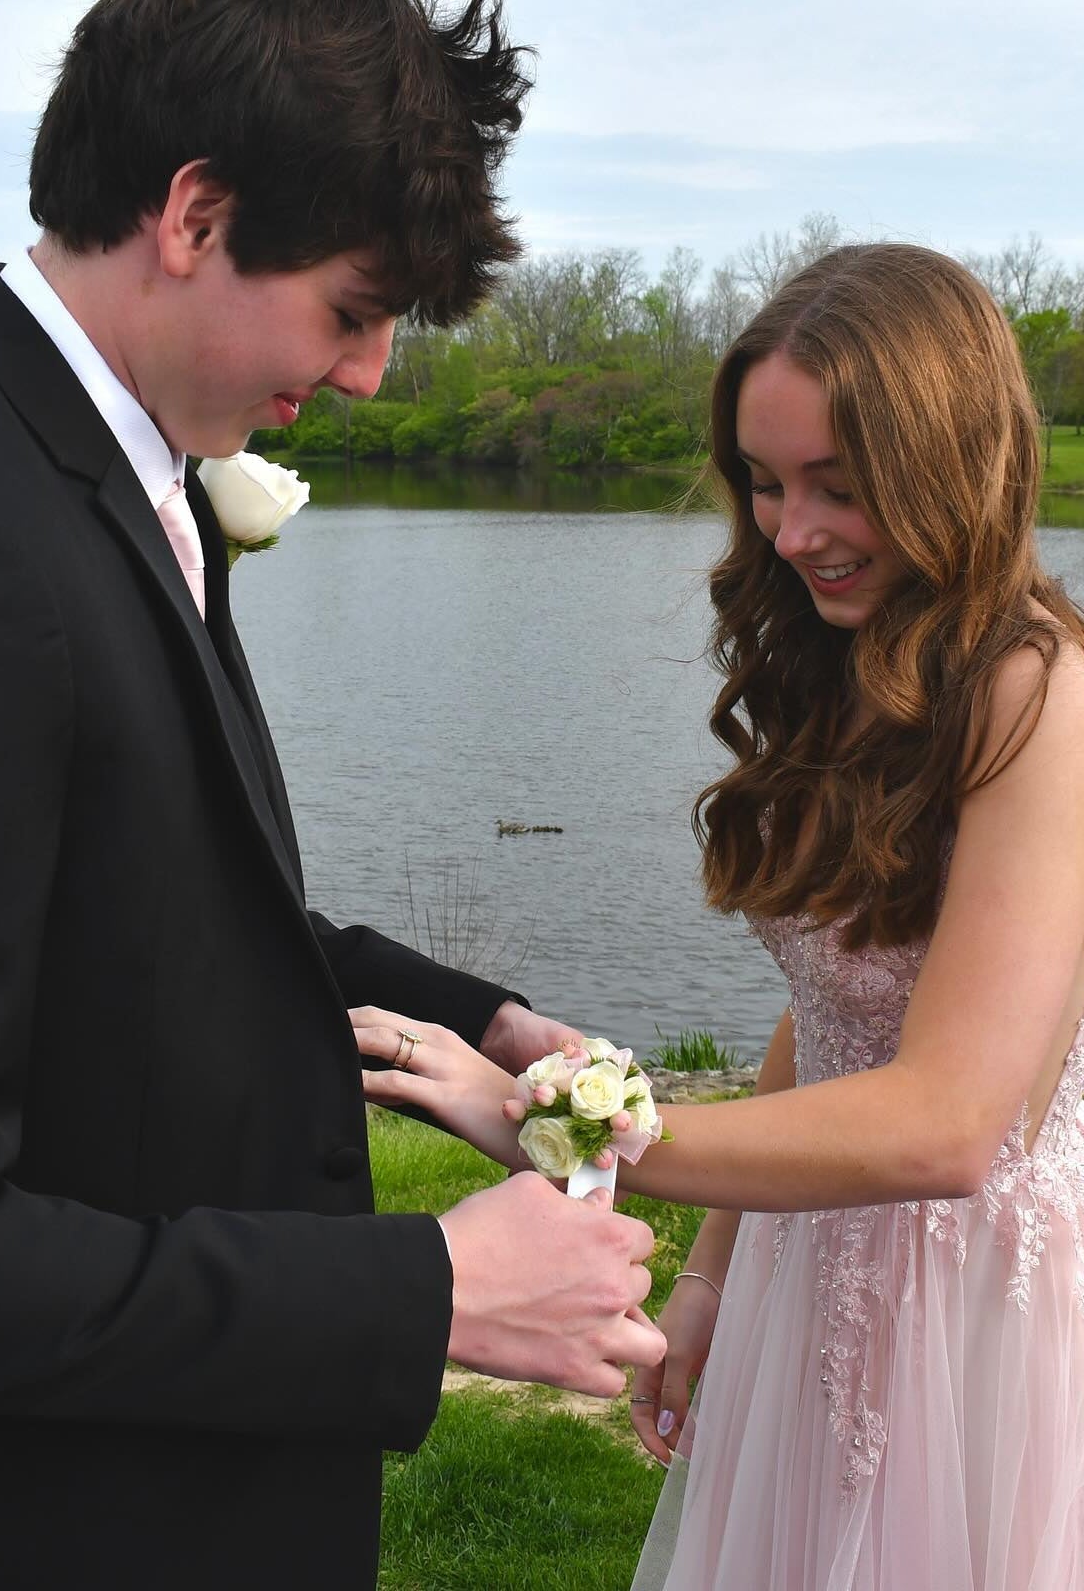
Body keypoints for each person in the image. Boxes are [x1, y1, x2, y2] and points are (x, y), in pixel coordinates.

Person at [0, 0, 664, 1590]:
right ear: (195, 212)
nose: (376, 376)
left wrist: (490, 1024)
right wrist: (428, 1293)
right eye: (356, 308)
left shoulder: (112, 480)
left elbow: (150, 913)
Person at [356, 243, 1084, 1589]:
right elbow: (831, 1016)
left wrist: (560, 1124)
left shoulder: (1036, 695)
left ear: (952, 465)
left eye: (839, 488)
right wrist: (711, 1288)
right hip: (811, 1273)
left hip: (975, 1316)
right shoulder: (859, 669)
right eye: (763, 483)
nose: (790, 532)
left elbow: (950, 1122)